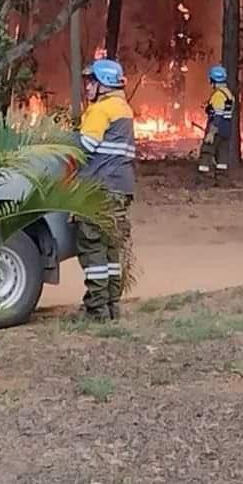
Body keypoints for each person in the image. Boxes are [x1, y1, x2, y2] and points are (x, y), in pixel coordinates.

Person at [73, 58, 136, 321]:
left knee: (92, 247)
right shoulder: (124, 109)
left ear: (105, 84)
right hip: (120, 188)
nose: (88, 87)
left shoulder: (101, 111)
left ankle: (96, 311)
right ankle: (112, 307)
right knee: (111, 250)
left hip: (99, 189)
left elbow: (83, 147)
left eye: (92, 82)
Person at [198, 64, 234, 175]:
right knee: (222, 152)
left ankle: (203, 175)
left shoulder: (218, 95)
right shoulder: (229, 94)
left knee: (207, 150)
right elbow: (226, 112)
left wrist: (211, 133)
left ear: (212, 79)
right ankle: (222, 176)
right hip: (226, 129)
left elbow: (218, 116)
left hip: (217, 128)